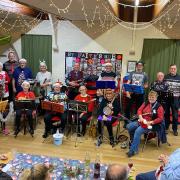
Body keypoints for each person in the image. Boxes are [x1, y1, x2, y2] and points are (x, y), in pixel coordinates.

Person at [126, 91, 164, 157]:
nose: (151, 98)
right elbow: (139, 110)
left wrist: (151, 122)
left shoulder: (159, 107)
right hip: (142, 121)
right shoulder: (146, 103)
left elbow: (160, 118)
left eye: (153, 97)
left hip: (151, 124)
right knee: (129, 126)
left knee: (137, 131)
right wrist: (140, 117)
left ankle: (133, 150)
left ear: (156, 98)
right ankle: (133, 142)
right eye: (150, 97)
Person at [164, 64, 180, 136]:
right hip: (167, 98)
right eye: (171, 68)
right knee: (166, 114)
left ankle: (175, 129)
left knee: (175, 115)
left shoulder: (179, 77)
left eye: (174, 69)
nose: (173, 70)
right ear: (169, 69)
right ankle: (166, 128)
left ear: (176, 69)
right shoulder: (165, 77)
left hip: (176, 99)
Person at [0, 62, 10, 135]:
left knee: (4, 110)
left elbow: (9, 80)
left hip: (5, 92)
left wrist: (4, 82)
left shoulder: (4, 73)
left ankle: (4, 128)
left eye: (0, 66)